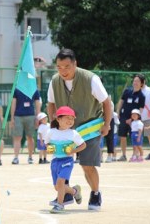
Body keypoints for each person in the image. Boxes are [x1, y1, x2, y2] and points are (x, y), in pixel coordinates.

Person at [47, 49, 111, 211]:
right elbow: (51, 103)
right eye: (59, 67)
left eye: (67, 66)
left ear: (75, 64)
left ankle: (95, 193)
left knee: (87, 164)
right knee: (61, 160)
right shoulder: (55, 81)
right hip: (65, 129)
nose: (63, 71)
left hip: (89, 127)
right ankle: (67, 193)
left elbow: (106, 102)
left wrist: (107, 124)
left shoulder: (90, 79)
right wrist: (53, 124)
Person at [44, 106, 86, 214]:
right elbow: (46, 143)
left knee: (60, 182)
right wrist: (49, 148)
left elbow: (83, 145)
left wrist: (72, 151)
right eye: (67, 118)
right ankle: (75, 191)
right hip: (55, 161)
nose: (70, 121)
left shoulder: (73, 133)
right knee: (57, 187)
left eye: (72, 118)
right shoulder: (51, 132)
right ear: (58, 119)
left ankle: (59, 205)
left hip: (67, 160)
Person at [116, 74, 145, 161]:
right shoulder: (127, 91)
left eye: (137, 81)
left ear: (142, 84)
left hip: (134, 121)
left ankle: (135, 155)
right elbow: (121, 102)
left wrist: (132, 119)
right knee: (122, 136)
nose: (135, 83)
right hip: (123, 117)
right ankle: (123, 155)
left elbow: (141, 110)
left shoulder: (141, 96)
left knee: (134, 137)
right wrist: (118, 112)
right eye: (134, 81)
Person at [10, 88, 41, 165]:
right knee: (17, 137)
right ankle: (16, 157)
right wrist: (12, 117)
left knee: (30, 137)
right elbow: (13, 103)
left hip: (31, 115)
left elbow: (37, 103)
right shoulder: (17, 89)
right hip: (18, 116)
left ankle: (30, 157)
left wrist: (38, 117)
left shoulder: (34, 88)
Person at [139, 76, 150, 160]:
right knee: (136, 135)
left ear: (143, 82)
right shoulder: (135, 91)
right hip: (137, 117)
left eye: (138, 81)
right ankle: (138, 154)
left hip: (148, 117)